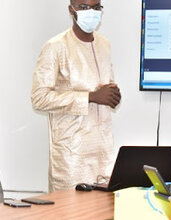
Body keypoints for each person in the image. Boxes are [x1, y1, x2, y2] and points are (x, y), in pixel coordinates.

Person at [31, 0, 121, 192]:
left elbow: (105, 88)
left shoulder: (104, 44)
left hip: (103, 154)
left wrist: (113, 95)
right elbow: (39, 98)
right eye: (83, 7)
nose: (91, 12)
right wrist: (90, 97)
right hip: (71, 157)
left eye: (96, 7)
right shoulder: (55, 46)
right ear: (71, 10)